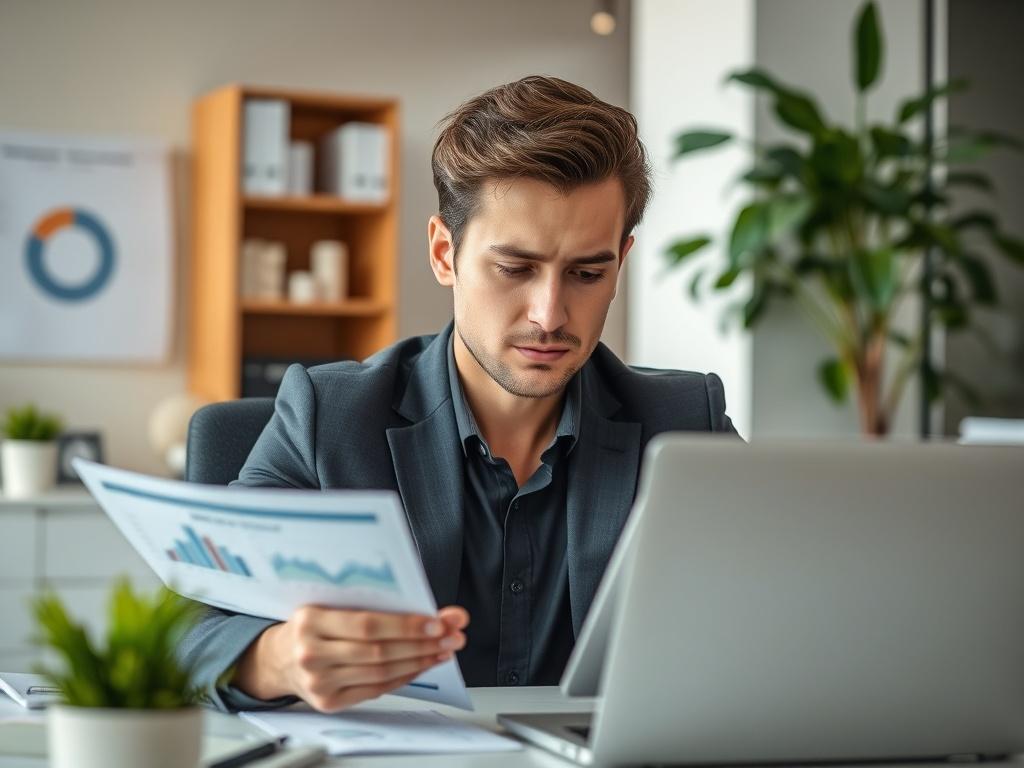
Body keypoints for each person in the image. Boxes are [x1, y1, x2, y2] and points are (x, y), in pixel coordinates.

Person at [180, 75, 737, 713]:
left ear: (621, 260)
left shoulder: (689, 425)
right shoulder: (328, 417)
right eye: (515, 268)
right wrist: (277, 657)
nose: (550, 314)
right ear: (445, 254)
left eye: (587, 273)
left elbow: (789, 606)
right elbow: (188, 630)